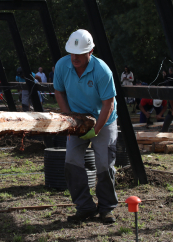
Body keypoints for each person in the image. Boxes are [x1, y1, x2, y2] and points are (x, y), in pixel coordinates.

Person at [54, 29, 118, 224]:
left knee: (104, 164)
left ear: (90, 52)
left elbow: (109, 103)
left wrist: (96, 129)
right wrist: (69, 119)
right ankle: (85, 206)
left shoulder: (102, 71)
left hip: (103, 120)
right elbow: (59, 91)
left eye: (79, 54)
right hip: (77, 120)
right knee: (71, 162)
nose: (74, 58)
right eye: (72, 53)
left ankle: (106, 208)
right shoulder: (62, 66)